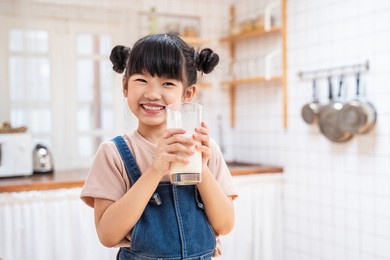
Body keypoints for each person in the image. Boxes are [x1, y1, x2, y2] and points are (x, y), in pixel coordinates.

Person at [80, 33, 238, 260]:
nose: (153, 93)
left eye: (167, 83)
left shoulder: (205, 149)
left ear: (188, 93)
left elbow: (225, 225)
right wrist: (155, 170)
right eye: (142, 80)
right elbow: (108, 235)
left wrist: (201, 169)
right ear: (125, 86)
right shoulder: (113, 153)